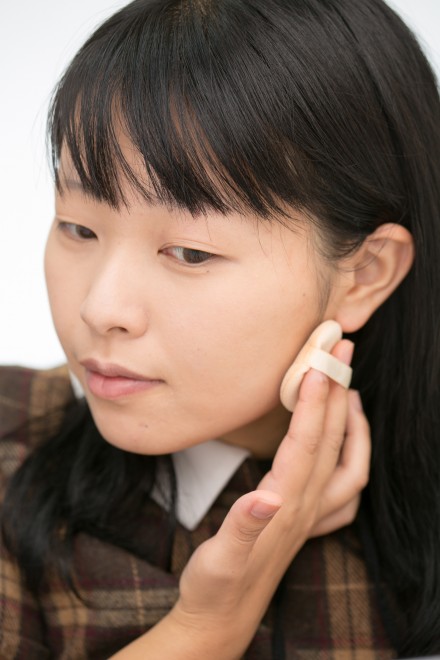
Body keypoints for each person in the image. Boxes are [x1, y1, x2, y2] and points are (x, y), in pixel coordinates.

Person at [1, 0, 439, 657]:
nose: (100, 308)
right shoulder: (11, 440)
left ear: (364, 274)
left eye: (189, 252)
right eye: (78, 228)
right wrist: (210, 624)